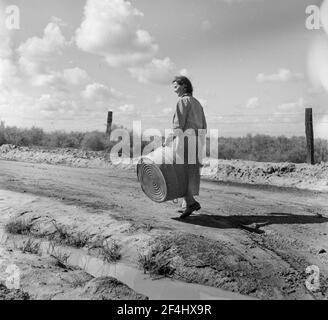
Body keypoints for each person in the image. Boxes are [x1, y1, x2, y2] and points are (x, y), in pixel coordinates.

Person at [165, 76, 207, 219]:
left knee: (179, 172)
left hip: (184, 140)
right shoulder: (197, 103)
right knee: (189, 172)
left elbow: (178, 124)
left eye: (176, 86)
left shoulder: (182, 101)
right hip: (196, 141)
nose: (174, 89)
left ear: (184, 86)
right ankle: (185, 203)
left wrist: (169, 140)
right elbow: (204, 126)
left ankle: (191, 203)